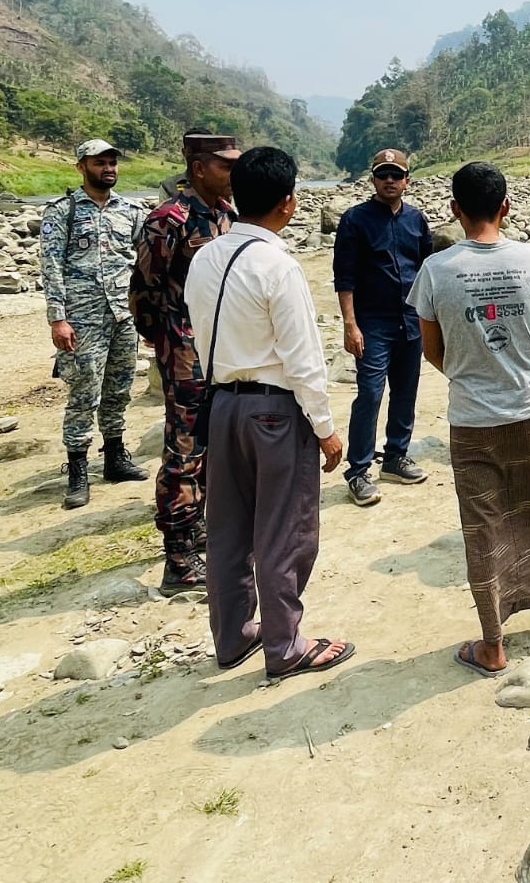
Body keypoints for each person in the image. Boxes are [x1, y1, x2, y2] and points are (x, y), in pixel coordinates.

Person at [410, 162, 530, 678]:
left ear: (455, 210)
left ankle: (493, 645)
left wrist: (473, 374)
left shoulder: (435, 271)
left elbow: (432, 350)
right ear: (506, 206)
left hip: (473, 420)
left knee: (484, 526)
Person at [185, 146, 354, 680]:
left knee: (228, 529)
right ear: (288, 202)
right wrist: (326, 429)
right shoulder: (278, 265)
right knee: (285, 529)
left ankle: (233, 635)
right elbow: (303, 360)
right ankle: (285, 646)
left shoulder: (205, 257)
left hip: (222, 406)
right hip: (275, 412)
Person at [129, 132, 240, 591]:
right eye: (225, 165)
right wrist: (167, 341)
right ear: (198, 168)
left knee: (214, 447)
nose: (233, 173)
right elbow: (144, 292)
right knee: (184, 452)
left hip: (222, 352)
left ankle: (201, 533)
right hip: (184, 353)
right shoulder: (167, 221)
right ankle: (177, 556)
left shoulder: (226, 215)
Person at [40, 138, 149, 510]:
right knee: (84, 395)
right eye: (100, 163)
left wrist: (148, 311)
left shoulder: (131, 211)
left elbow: (145, 262)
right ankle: (78, 471)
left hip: (123, 316)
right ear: (82, 167)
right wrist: (58, 319)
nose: (108, 169)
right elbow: (51, 266)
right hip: (82, 319)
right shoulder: (62, 212)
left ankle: (115, 458)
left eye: (112, 162)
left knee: (119, 389)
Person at [333, 147, 433, 507]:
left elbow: (427, 271)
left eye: (396, 175)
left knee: (406, 391)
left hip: (411, 320)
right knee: (370, 394)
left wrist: (432, 319)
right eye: (382, 175)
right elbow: (344, 277)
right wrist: (350, 324)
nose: (389, 180)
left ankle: (395, 458)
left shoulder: (417, 220)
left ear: (407, 181)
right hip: (372, 324)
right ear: (373, 179)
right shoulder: (355, 220)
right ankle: (358, 471)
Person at [157, 126, 213, 201]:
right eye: (192, 151)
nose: (198, 155)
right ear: (184, 152)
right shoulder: (169, 186)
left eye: (203, 151)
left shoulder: (223, 185)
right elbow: (164, 208)